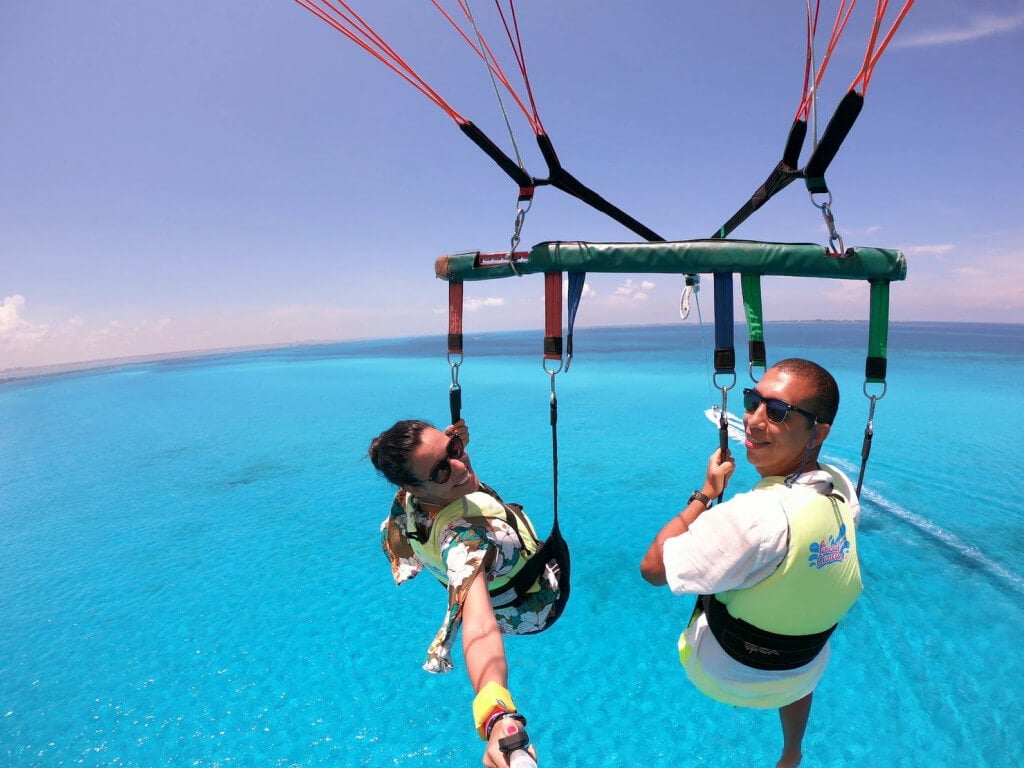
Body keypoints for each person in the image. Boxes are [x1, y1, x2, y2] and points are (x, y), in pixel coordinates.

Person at [640, 358, 862, 768]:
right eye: (752, 401)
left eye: (777, 412)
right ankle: (792, 751)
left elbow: (652, 568)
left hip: (720, 672)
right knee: (801, 612)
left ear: (818, 432)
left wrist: (706, 493)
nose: (754, 421)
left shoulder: (756, 518)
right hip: (801, 674)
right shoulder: (842, 499)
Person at [369, 418, 569, 768]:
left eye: (455, 450)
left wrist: (452, 450)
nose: (461, 466)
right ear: (413, 488)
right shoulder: (463, 542)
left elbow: (443, 462)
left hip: (499, 589)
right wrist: (496, 716)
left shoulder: (410, 501)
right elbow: (479, 627)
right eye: (442, 471)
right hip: (532, 607)